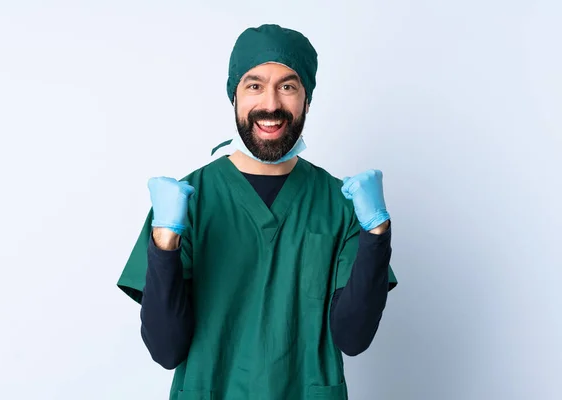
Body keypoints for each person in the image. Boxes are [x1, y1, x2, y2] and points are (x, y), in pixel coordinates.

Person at [117, 23, 398, 400]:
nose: (270, 104)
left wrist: (376, 235)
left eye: (288, 86)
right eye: (254, 85)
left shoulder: (342, 203)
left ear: (307, 100)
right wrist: (165, 243)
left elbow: (353, 338)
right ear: (234, 96)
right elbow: (166, 351)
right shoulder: (186, 202)